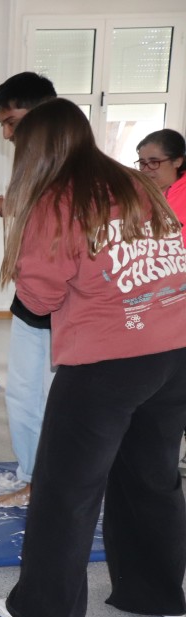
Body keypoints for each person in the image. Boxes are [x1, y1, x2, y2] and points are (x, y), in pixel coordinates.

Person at [0, 98, 186, 617]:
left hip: (107, 363)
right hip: (173, 352)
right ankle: (156, 593)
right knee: (152, 478)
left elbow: (39, 297)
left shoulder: (57, 200)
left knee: (66, 488)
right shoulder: (138, 183)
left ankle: (44, 609)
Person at [0, 72, 57, 507]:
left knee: (54, 398)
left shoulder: (71, 165)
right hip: (30, 301)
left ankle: (54, 483)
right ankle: (32, 477)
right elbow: (23, 206)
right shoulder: (30, 161)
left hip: (66, 305)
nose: (6, 133)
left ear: (44, 113)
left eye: (12, 121)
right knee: (20, 394)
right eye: (2, 123)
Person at [135, 128, 186, 473]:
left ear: (178, 161)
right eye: (142, 162)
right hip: (164, 299)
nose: (147, 168)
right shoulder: (148, 192)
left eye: (154, 162)